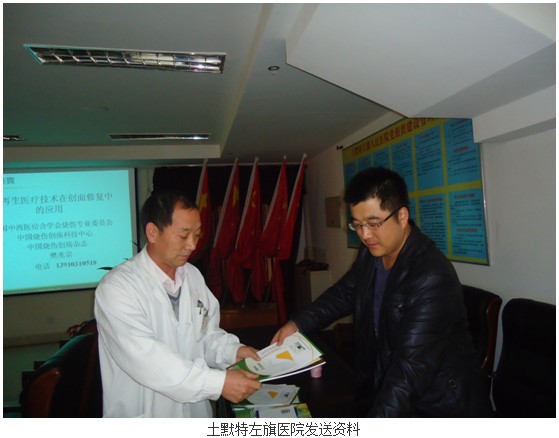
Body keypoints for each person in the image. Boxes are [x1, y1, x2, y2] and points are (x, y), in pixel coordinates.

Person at [272, 167, 493, 417]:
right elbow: (344, 293)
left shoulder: (431, 276)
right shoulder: (372, 252)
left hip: (439, 404)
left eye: (374, 223)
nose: (366, 235)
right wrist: (298, 323)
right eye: (358, 225)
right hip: (387, 382)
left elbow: (410, 369)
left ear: (402, 216)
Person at [94, 189, 262, 417]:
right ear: (152, 232)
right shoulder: (117, 288)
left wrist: (233, 352)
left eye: (197, 235)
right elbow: (148, 359)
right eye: (184, 236)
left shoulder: (192, 276)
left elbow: (207, 335)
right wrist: (217, 383)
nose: (192, 245)